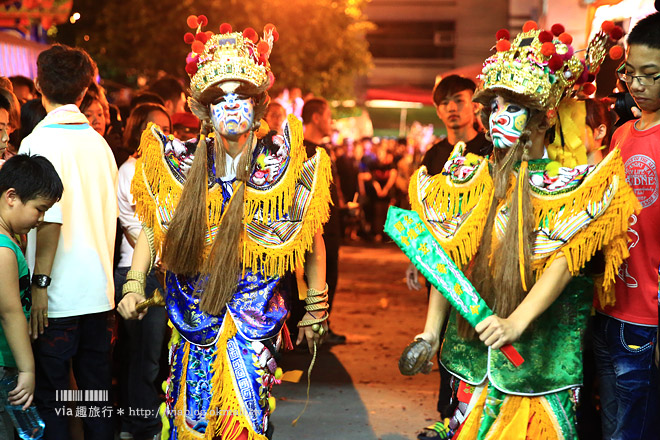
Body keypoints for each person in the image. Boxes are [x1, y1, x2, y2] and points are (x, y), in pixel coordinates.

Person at [396, 21, 637, 438]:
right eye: (494, 108)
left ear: (544, 119)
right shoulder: (467, 178)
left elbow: (564, 261)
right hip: (474, 364)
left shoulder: (571, 187)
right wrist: (431, 332)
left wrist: (515, 324)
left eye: (512, 108)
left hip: (539, 367)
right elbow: (447, 261)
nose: (497, 119)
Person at [117, 19, 332, 439]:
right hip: (193, 323)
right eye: (221, 98)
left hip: (253, 327)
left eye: (241, 96)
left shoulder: (280, 166)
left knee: (244, 427)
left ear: (256, 104)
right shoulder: (181, 166)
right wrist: (133, 284)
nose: (232, 106)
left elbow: (311, 243)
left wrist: (316, 307)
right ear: (204, 109)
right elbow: (152, 225)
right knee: (190, 425)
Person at [18, 44, 118, 440]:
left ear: (40, 85)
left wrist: (40, 287)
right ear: (83, 91)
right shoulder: (100, 146)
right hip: (98, 294)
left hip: (55, 300)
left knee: (53, 399)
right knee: (95, 398)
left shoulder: (37, 143)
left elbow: (49, 222)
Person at [593, 9, 660, 440]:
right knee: (611, 425)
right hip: (607, 311)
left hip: (647, 324)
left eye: (650, 74)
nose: (636, 84)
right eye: (630, 72)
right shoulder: (622, 134)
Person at [115, 103, 171, 440]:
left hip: (160, 271)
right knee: (142, 357)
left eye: (168, 128)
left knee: (152, 356)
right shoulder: (131, 170)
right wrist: (164, 254)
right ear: (141, 131)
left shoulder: (165, 170)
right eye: (157, 128)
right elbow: (137, 229)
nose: (166, 135)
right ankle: (141, 425)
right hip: (136, 273)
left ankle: (144, 422)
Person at [0, 155, 62, 439]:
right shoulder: (2, 249)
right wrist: (27, 369)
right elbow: (9, 312)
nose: (41, 219)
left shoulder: (12, 237)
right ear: (11, 197)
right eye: (39, 209)